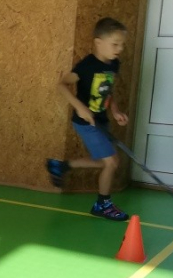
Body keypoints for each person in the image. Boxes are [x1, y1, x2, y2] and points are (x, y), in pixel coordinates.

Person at [46, 17, 131, 221]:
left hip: (101, 120)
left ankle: (61, 166)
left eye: (122, 44)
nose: (120, 49)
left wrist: (115, 111)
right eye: (115, 44)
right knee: (111, 162)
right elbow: (61, 85)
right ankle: (102, 204)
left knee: (106, 162)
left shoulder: (113, 64)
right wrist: (80, 107)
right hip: (86, 122)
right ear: (98, 43)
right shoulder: (87, 65)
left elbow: (108, 91)